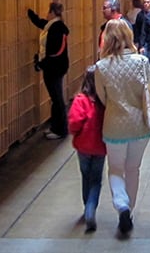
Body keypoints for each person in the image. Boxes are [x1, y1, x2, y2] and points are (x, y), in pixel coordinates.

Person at [94, 20, 150, 237]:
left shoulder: (101, 67)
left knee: (116, 169)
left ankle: (122, 206)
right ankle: (130, 209)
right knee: (133, 168)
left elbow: (102, 98)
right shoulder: (142, 62)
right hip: (140, 125)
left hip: (114, 125)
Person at [67, 66, 106, 233]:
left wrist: (76, 134)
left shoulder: (80, 100)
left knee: (85, 176)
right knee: (96, 180)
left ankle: (86, 208)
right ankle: (91, 210)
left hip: (83, 146)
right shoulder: (104, 103)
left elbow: (74, 123)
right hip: (100, 146)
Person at [27, 2, 70, 140]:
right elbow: (41, 23)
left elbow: (54, 52)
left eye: (48, 12)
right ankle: (55, 127)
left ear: (52, 13)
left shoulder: (56, 29)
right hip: (55, 67)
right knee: (56, 98)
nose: (46, 14)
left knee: (57, 99)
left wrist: (41, 64)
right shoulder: (55, 26)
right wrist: (31, 14)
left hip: (54, 68)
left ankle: (60, 129)